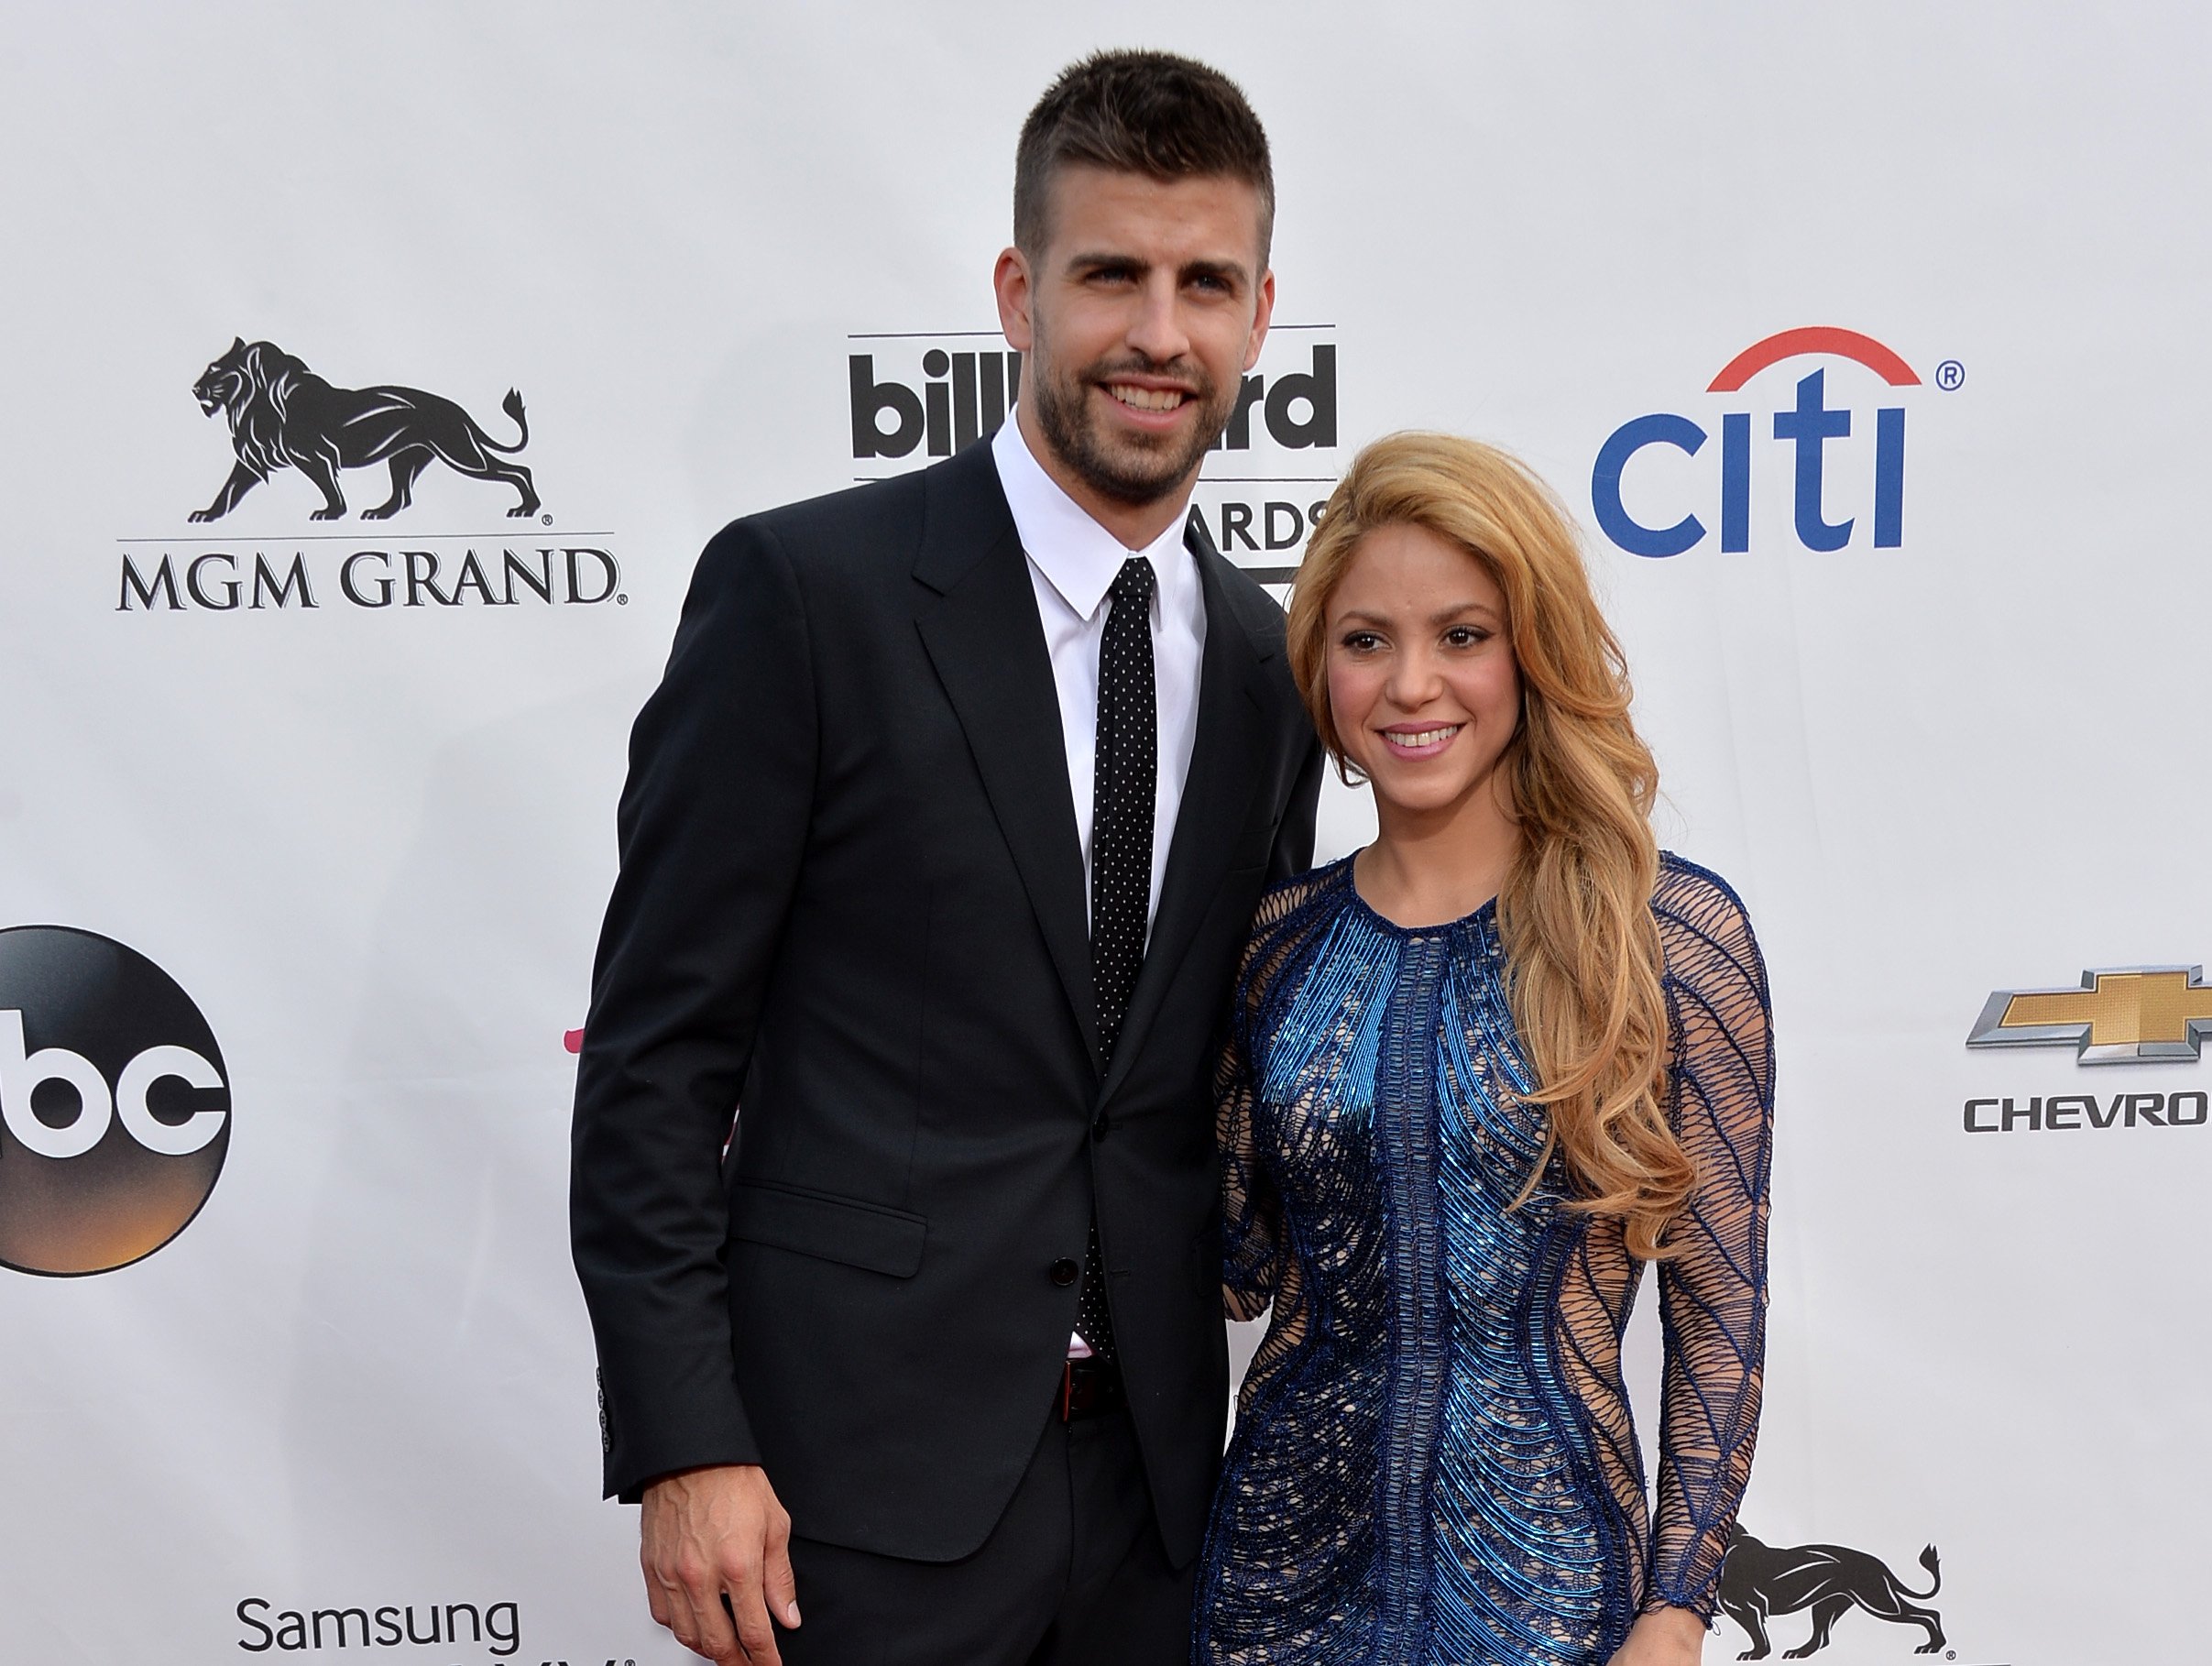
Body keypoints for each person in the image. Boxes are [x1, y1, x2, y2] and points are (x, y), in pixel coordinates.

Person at [569, 50, 1322, 1666]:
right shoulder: (806, 596)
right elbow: (653, 1058)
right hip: (854, 1496)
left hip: (1161, 1501)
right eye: (1108, 272)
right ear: (1017, 292)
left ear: (1262, 314)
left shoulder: (1276, 667)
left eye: (1205, 282)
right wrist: (687, 1440)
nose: (1157, 332)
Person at [1195, 433, 1775, 1666]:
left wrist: (1675, 1604)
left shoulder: (1663, 935)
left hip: (1554, 1593)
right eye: (1366, 640)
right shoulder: (1272, 946)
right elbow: (1234, 1266)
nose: (1411, 684)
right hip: (1277, 1583)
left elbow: (1719, 1301)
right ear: (1319, 670)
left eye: (1461, 633)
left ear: (1530, 652)